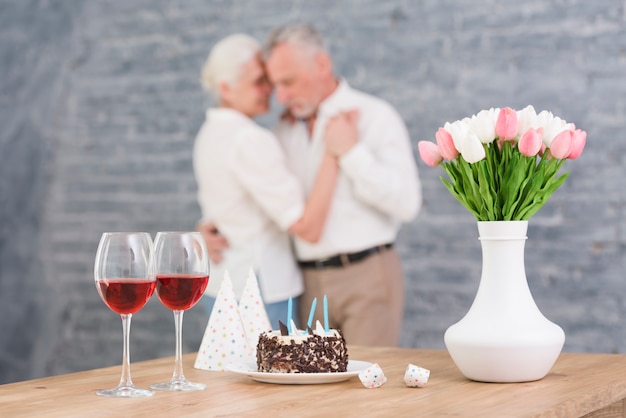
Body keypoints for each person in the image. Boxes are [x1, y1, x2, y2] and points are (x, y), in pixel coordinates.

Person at [202, 23, 422, 346]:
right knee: (312, 392)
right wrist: (212, 229)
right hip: (305, 285)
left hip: (367, 277)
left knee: (368, 388)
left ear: (321, 65)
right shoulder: (283, 132)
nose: (281, 97)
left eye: (288, 82)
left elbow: (408, 204)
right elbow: (262, 202)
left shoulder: (374, 116)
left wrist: (350, 152)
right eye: (275, 85)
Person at [192, 33, 340, 328]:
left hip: (221, 281)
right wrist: (333, 153)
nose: (269, 89)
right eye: (258, 82)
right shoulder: (249, 139)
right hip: (260, 286)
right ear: (226, 88)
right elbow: (304, 226)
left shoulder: (208, 134)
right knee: (271, 372)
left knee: (232, 373)